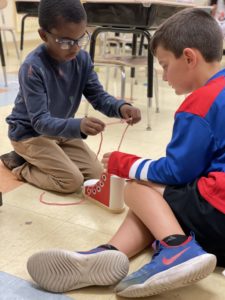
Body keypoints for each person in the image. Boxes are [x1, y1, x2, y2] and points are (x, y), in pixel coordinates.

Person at [26, 8, 225, 298]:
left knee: (138, 188)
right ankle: (109, 252)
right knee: (158, 207)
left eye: (165, 65)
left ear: (190, 58)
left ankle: (177, 248)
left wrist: (126, 164)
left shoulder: (199, 105)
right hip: (217, 219)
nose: (164, 75)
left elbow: (177, 171)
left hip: (217, 212)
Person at [0, 0, 141, 194]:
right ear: (44, 35)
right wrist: (78, 126)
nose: (75, 48)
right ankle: (19, 165)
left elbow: (98, 96)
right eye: (66, 42)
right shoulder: (33, 68)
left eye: (80, 39)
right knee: (71, 181)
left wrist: (121, 107)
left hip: (61, 132)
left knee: (96, 174)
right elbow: (40, 122)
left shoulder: (81, 59)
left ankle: (46, 156)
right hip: (30, 134)